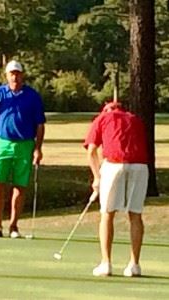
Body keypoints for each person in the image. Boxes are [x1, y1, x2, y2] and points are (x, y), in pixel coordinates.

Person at [0, 60, 46, 238]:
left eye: (17, 73)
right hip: (2, 143)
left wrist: (38, 148)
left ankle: (14, 226)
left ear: (22, 75)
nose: (15, 76)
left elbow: (40, 125)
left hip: (25, 144)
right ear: (6, 75)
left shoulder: (32, 96)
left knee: (20, 186)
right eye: (11, 73)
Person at [84, 101, 149, 277]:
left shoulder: (102, 118)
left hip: (114, 165)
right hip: (140, 166)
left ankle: (106, 263)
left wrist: (97, 178)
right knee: (135, 214)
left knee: (107, 213)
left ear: (106, 110)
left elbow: (91, 151)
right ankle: (134, 265)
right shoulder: (135, 119)